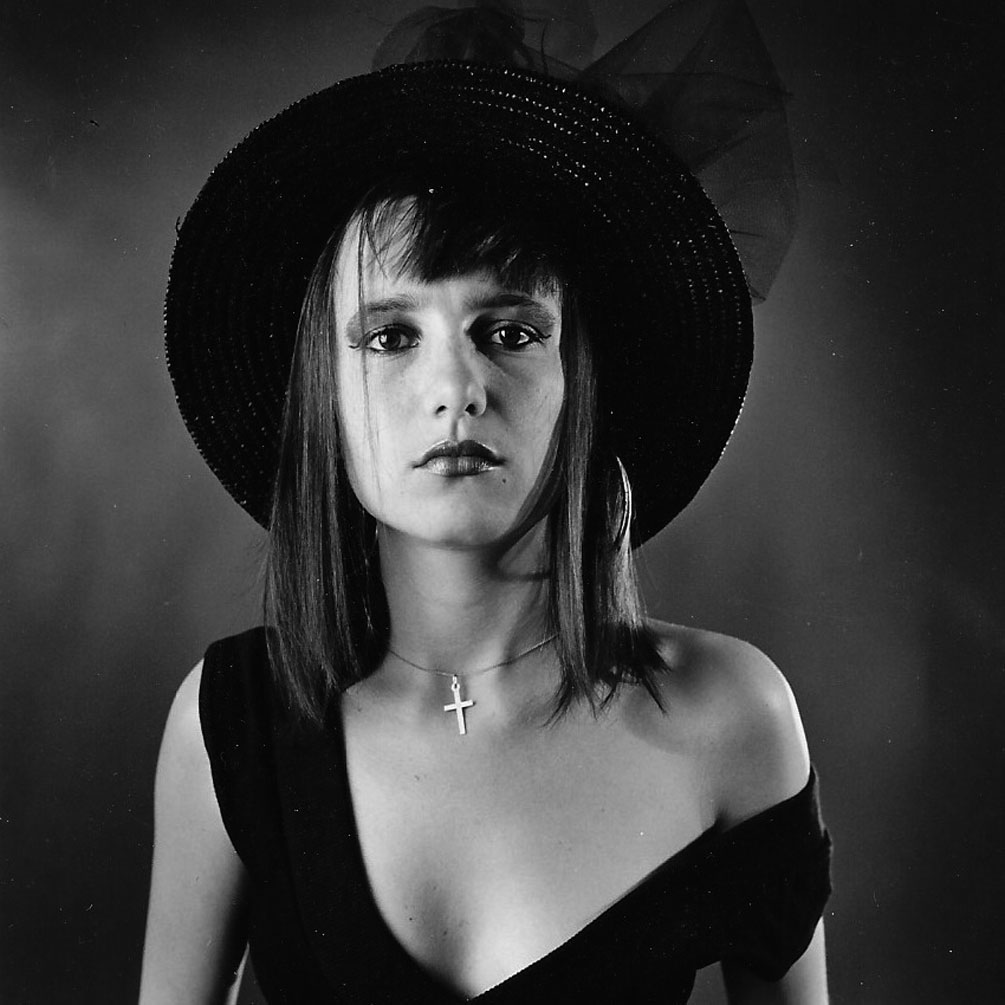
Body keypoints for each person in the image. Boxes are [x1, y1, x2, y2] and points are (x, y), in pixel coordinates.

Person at [140, 3, 831, 1002]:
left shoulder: (734, 717)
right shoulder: (229, 725)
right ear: (318, 402)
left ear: (582, 381)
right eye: (389, 337)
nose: (454, 386)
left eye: (509, 332)